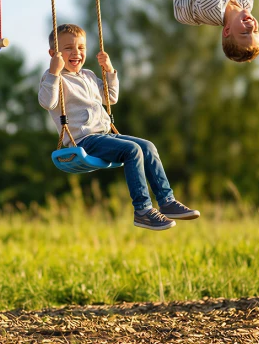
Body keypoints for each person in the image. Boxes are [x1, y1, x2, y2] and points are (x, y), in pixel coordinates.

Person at [38, 23, 200, 230]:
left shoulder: (88, 75)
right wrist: (53, 71)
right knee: (132, 150)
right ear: (54, 54)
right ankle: (142, 210)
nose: (76, 53)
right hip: (83, 140)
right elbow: (47, 102)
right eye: (68, 48)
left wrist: (109, 71)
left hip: (105, 136)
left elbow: (110, 98)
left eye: (81, 48)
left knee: (148, 146)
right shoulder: (55, 78)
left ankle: (166, 201)